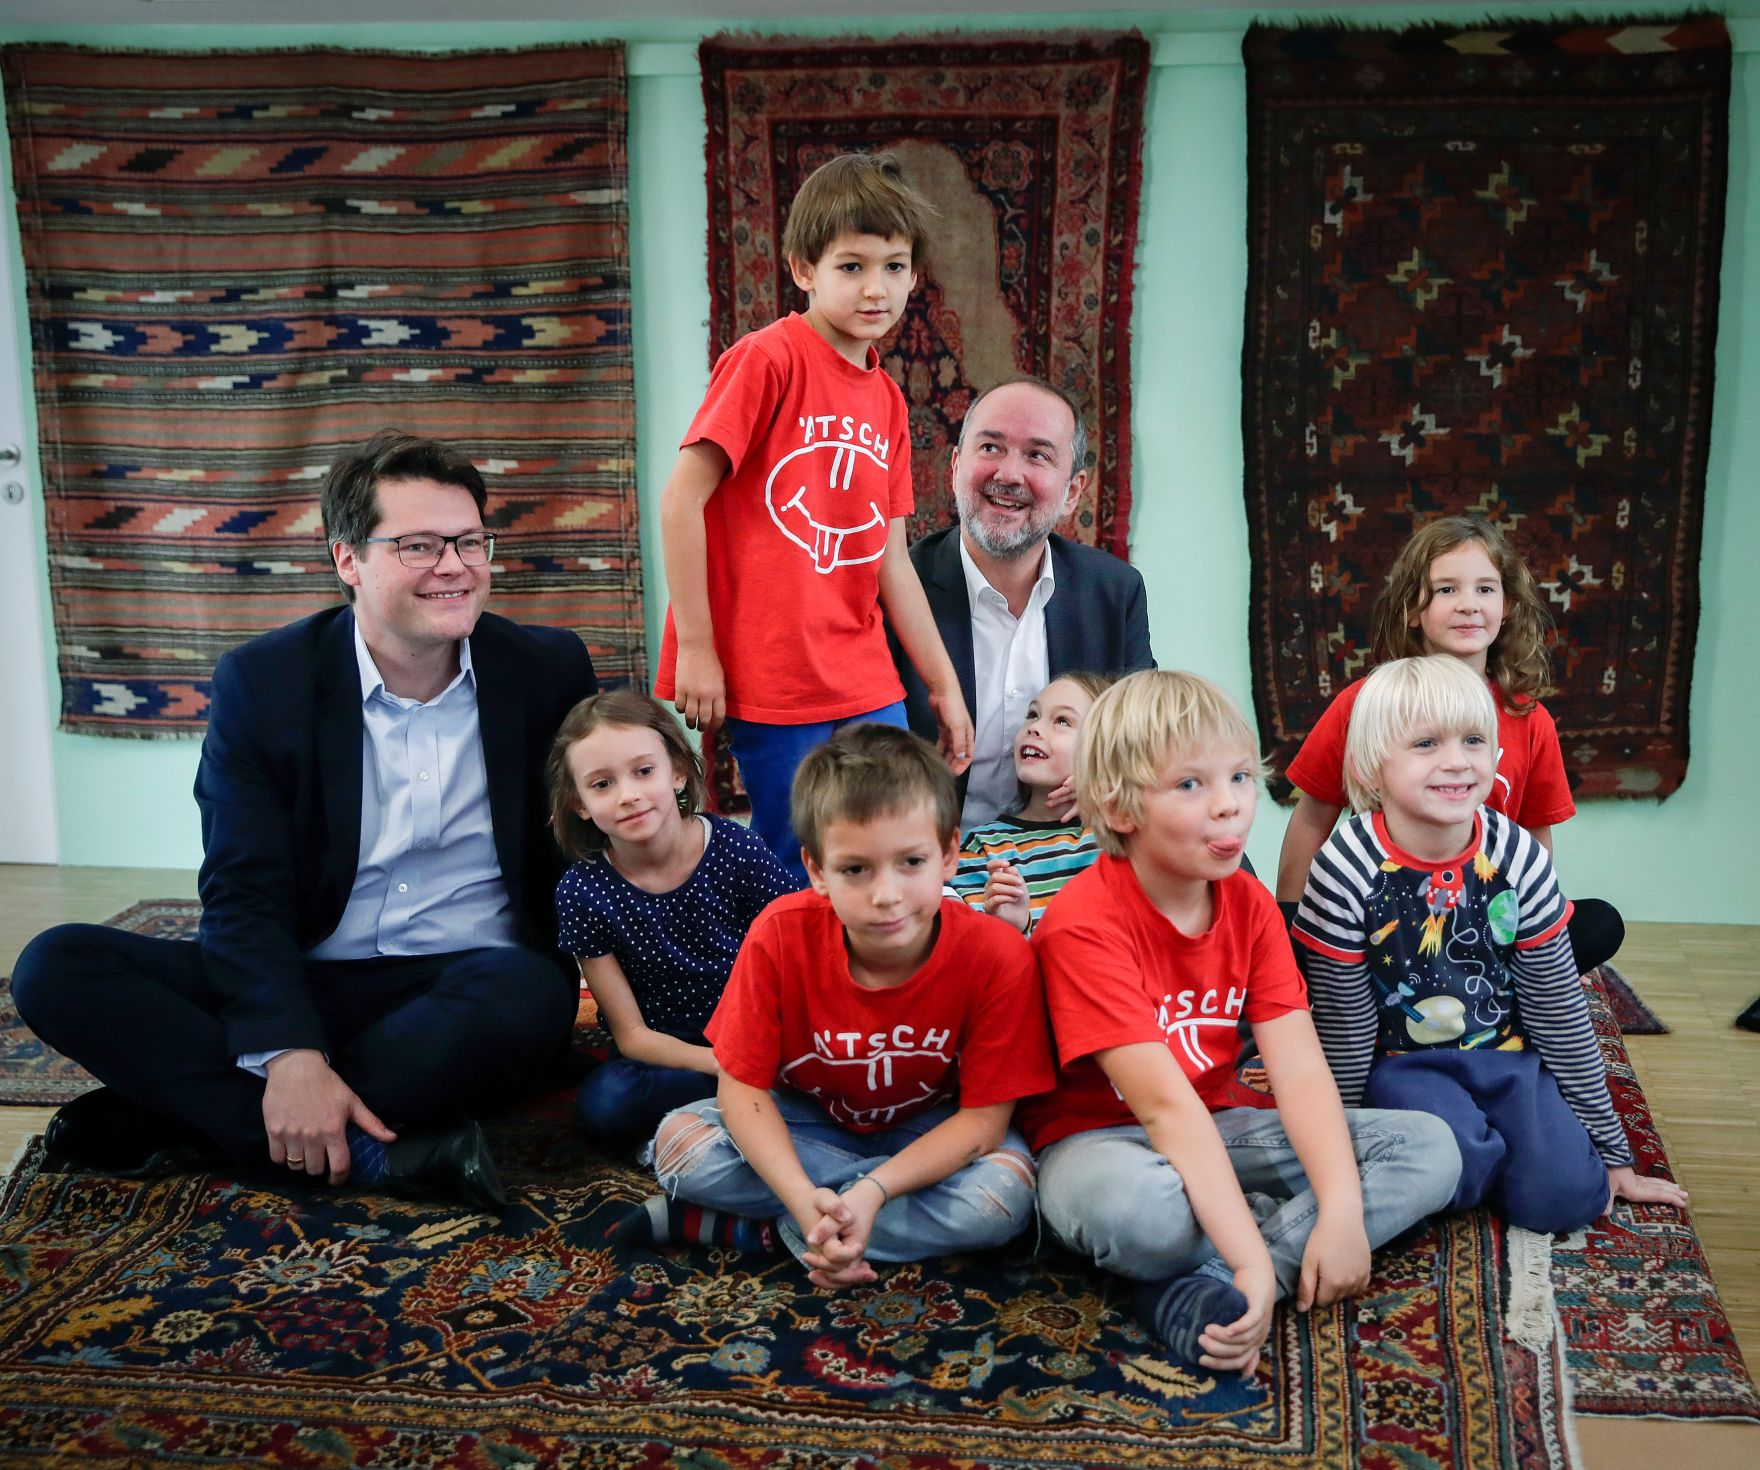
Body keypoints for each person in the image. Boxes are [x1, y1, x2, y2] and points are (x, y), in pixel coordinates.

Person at [12, 430, 597, 1207]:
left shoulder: (547, 669)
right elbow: (243, 889)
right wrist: (288, 1052)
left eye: (469, 540)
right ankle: (365, 1148)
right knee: (57, 965)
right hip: (312, 971)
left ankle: (187, 1117)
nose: (455, 566)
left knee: (530, 995)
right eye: (418, 545)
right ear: (347, 559)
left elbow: (600, 838)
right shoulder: (264, 681)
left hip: (469, 985)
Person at [1022, 671, 1461, 1373]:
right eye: (1191, 786)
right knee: (1141, 1215)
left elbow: (1299, 1068)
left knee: (1430, 1148)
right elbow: (1164, 1112)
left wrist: (1344, 1211)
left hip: (1217, 1123)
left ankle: (1203, 1288)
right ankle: (1244, 1257)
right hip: (1098, 1146)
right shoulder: (1083, 924)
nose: (1229, 806)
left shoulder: (1250, 904)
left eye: (1238, 777)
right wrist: (1257, 1260)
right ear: (1119, 805)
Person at [614, 724, 1052, 1288]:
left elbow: (985, 1122)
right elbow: (741, 1087)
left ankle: (773, 1234)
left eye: (911, 863)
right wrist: (800, 1195)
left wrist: (873, 1190)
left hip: (930, 1131)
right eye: (855, 869)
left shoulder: (997, 954)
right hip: (810, 1123)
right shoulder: (779, 934)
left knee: (1004, 1197)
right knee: (680, 1147)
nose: (886, 894)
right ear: (818, 872)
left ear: (948, 855)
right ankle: (833, 1224)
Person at [652, 151, 972, 881]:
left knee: (891, 840)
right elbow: (681, 499)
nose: (876, 288)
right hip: (772, 667)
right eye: (851, 266)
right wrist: (699, 647)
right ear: (803, 269)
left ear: (915, 276)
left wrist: (943, 683)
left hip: (861, 672)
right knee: (796, 862)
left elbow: (889, 559)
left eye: (894, 267)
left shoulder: (887, 398)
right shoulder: (767, 360)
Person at [1291, 656, 1689, 1232]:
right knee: (1449, 1162)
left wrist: (1612, 1151)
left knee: (1569, 1200)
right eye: (1426, 743)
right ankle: (1473, 1162)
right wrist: (1344, 1141)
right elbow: (1344, 1023)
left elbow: (1556, 1006)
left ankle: (1508, 1158)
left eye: (1473, 740)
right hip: (1403, 1067)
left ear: (1496, 757)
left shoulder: (1517, 856)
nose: (1456, 762)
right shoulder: (1345, 867)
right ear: (1372, 768)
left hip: (1506, 1056)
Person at [1275, 515, 1623, 975]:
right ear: (1412, 610)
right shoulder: (1364, 704)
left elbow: (1536, 836)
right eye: (1446, 590)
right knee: (1285, 937)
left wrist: (1535, 926)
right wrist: (1291, 921)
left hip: (1482, 911)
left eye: (1485, 588)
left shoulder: (1529, 719)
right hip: (1385, 911)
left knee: (1600, 923)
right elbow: (1312, 816)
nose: (1468, 605)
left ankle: (1488, 978)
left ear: (1509, 605)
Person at [894, 376, 1154, 828]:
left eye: (1037, 455)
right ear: (955, 466)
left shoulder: (1114, 592)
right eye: (991, 448)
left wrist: (1116, 777)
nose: (1008, 474)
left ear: (1073, 491)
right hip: (927, 864)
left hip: (1069, 856)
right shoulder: (896, 590)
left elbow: (1147, 740)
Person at [548, 689, 794, 1149]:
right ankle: (749, 1103)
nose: (629, 796)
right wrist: (724, 1067)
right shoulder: (582, 891)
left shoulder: (735, 849)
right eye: (602, 784)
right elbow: (633, 1036)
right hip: (666, 1050)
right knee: (606, 1104)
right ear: (579, 802)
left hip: (753, 1025)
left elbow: (799, 942)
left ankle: (742, 1105)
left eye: (644, 771)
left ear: (678, 772)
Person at [946, 671, 1111, 934]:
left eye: (1062, 721)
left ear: (1104, 748)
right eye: (1033, 715)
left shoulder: (1118, 835)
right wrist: (1016, 927)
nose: (1034, 727)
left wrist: (1112, 789)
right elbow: (973, 949)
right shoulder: (984, 846)